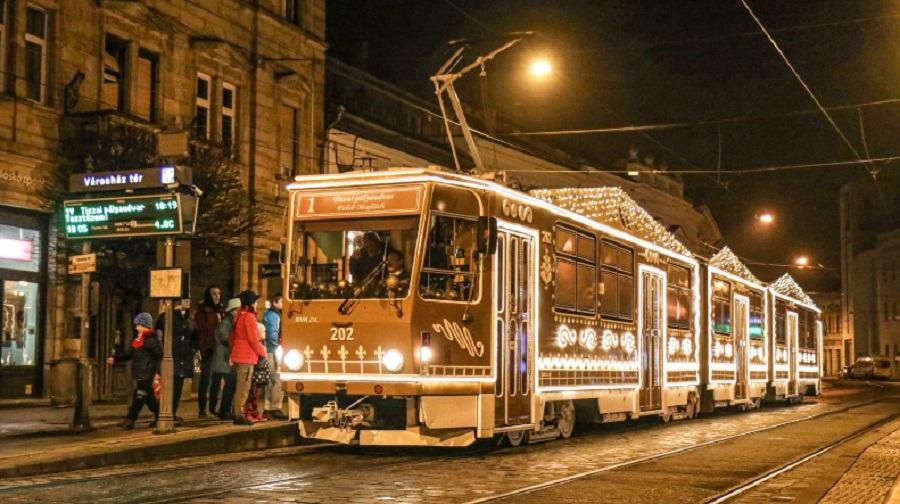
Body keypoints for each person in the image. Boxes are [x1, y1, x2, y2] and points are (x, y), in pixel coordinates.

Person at [107, 312, 162, 430]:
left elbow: (159, 356)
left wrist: (157, 372)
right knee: (148, 397)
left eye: (138, 325)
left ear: (145, 325)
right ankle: (160, 416)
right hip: (140, 372)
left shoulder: (152, 340)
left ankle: (130, 419)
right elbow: (129, 353)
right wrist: (115, 358)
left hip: (147, 373)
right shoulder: (138, 339)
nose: (136, 328)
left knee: (139, 396)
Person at [155, 298, 198, 421]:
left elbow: (195, 335)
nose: (188, 302)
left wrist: (193, 349)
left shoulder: (189, 319)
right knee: (167, 386)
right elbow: (159, 335)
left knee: (178, 386)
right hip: (170, 356)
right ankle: (163, 413)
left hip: (183, 357)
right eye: (185, 299)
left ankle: (172, 412)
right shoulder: (166, 317)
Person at [229, 290, 267, 426]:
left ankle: (238, 413)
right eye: (256, 302)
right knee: (243, 387)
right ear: (251, 303)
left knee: (242, 386)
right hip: (247, 356)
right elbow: (253, 339)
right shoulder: (249, 317)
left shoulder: (240, 315)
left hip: (240, 354)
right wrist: (263, 352)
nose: (257, 304)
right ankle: (239, 415)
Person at [194, 286, 224, 417]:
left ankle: (213, 407)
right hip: (209, 348)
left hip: (220, 349)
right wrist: (204, 347)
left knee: (217, 379)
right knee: (206, 379)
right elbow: (202, 330)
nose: (217, 296)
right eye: (214, 294)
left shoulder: (222, 310)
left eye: (218, 293)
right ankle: (202, 408)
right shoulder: (203, 310)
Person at [211, 297, 240, 421]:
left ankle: (225, 409)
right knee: (230, 384)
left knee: (230, 384)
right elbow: (224, 338)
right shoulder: (227, 322)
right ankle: (224, 410)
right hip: (224, 358)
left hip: (226, 358)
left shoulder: (230, 321)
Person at [262, 293, 287, 420]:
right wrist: (280, 344)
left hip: (270, 349)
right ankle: (275, 407)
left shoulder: (269, 314)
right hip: (275, 350)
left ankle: (267, 407)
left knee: (270, 380)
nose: (285, 304)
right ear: (275, 302)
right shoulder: (274, 315)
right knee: (278, 378)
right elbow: (273, 333)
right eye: (282, 302)